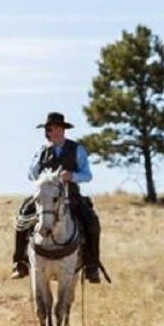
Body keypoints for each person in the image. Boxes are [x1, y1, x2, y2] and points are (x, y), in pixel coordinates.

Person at [11, 111, 102, 283]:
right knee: (23, 216)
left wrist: (72, 176)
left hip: (71, 195)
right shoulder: (42, 151)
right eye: (49, 129)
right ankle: (20, 262)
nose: (51, 132)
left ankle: (92, 266)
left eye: (54, 128)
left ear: (62, 130)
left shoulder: (77, 149)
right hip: (45, 196)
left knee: (92, 222)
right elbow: (31, 174)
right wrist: (40, 173)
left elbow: (87, 175)